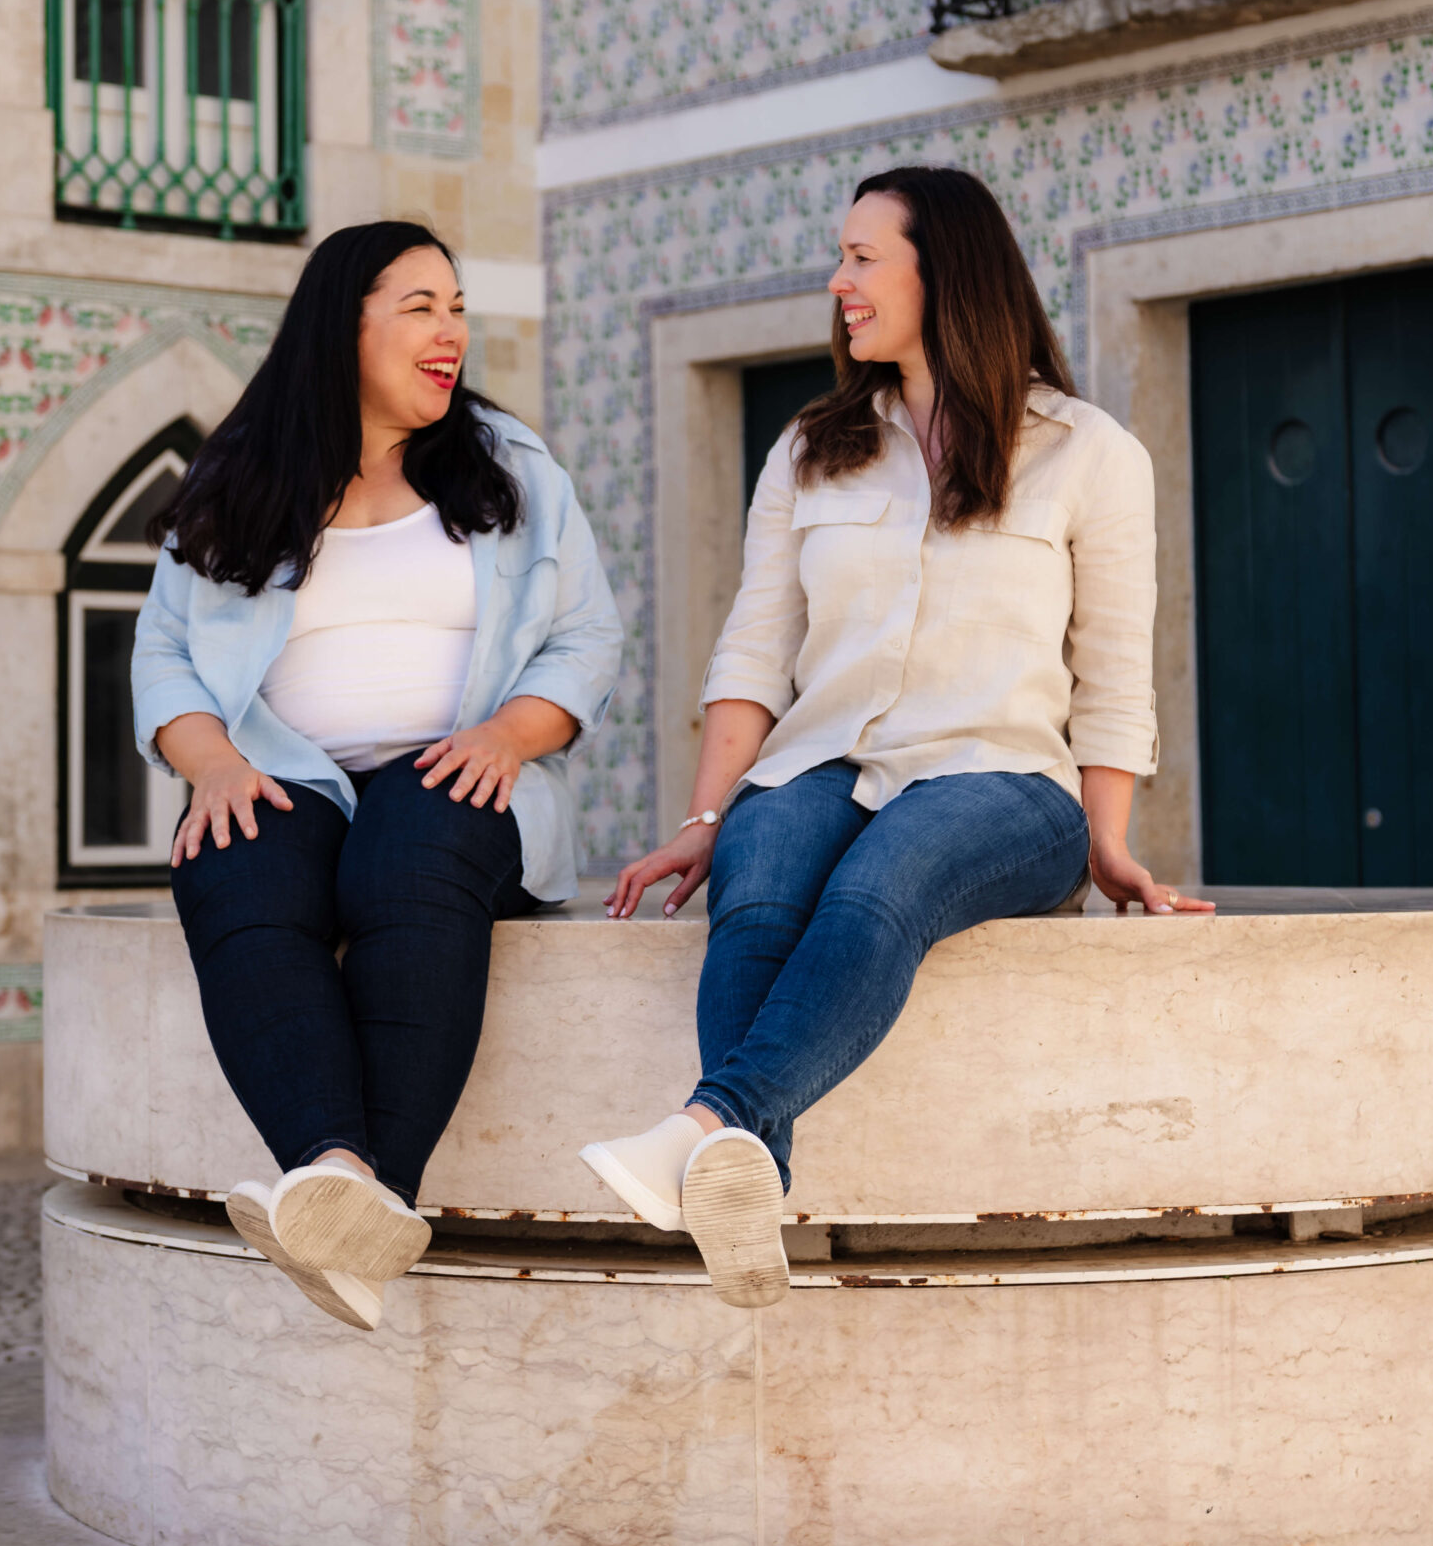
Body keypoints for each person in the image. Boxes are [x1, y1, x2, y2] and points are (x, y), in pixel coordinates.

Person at [581, 165, 1211, 1311]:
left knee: (882, 885)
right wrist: (702, 819)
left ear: (945, 271)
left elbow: (1114, 675)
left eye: (863, 258)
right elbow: (751, 653)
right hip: (818, 764)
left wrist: (1111, 844)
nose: (838, 282)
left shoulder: (1088, 452)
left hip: (1004, 787)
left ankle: (705, 1122)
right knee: (761, 888)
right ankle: (741, 1187)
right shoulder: (811, 447)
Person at [133, 221, 621, 1334]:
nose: (450, 330)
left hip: (461, 764)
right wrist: (206, 760)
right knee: (234, 868)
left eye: (456, 306)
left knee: (410, 849)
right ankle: (342, 1176)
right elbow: (162, 646)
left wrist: (507, 735)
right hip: (285, 769)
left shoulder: (512, 465)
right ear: (344, 324)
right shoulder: (240, 473)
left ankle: (367, 1197)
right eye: (420, 306)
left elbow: (587, 639)